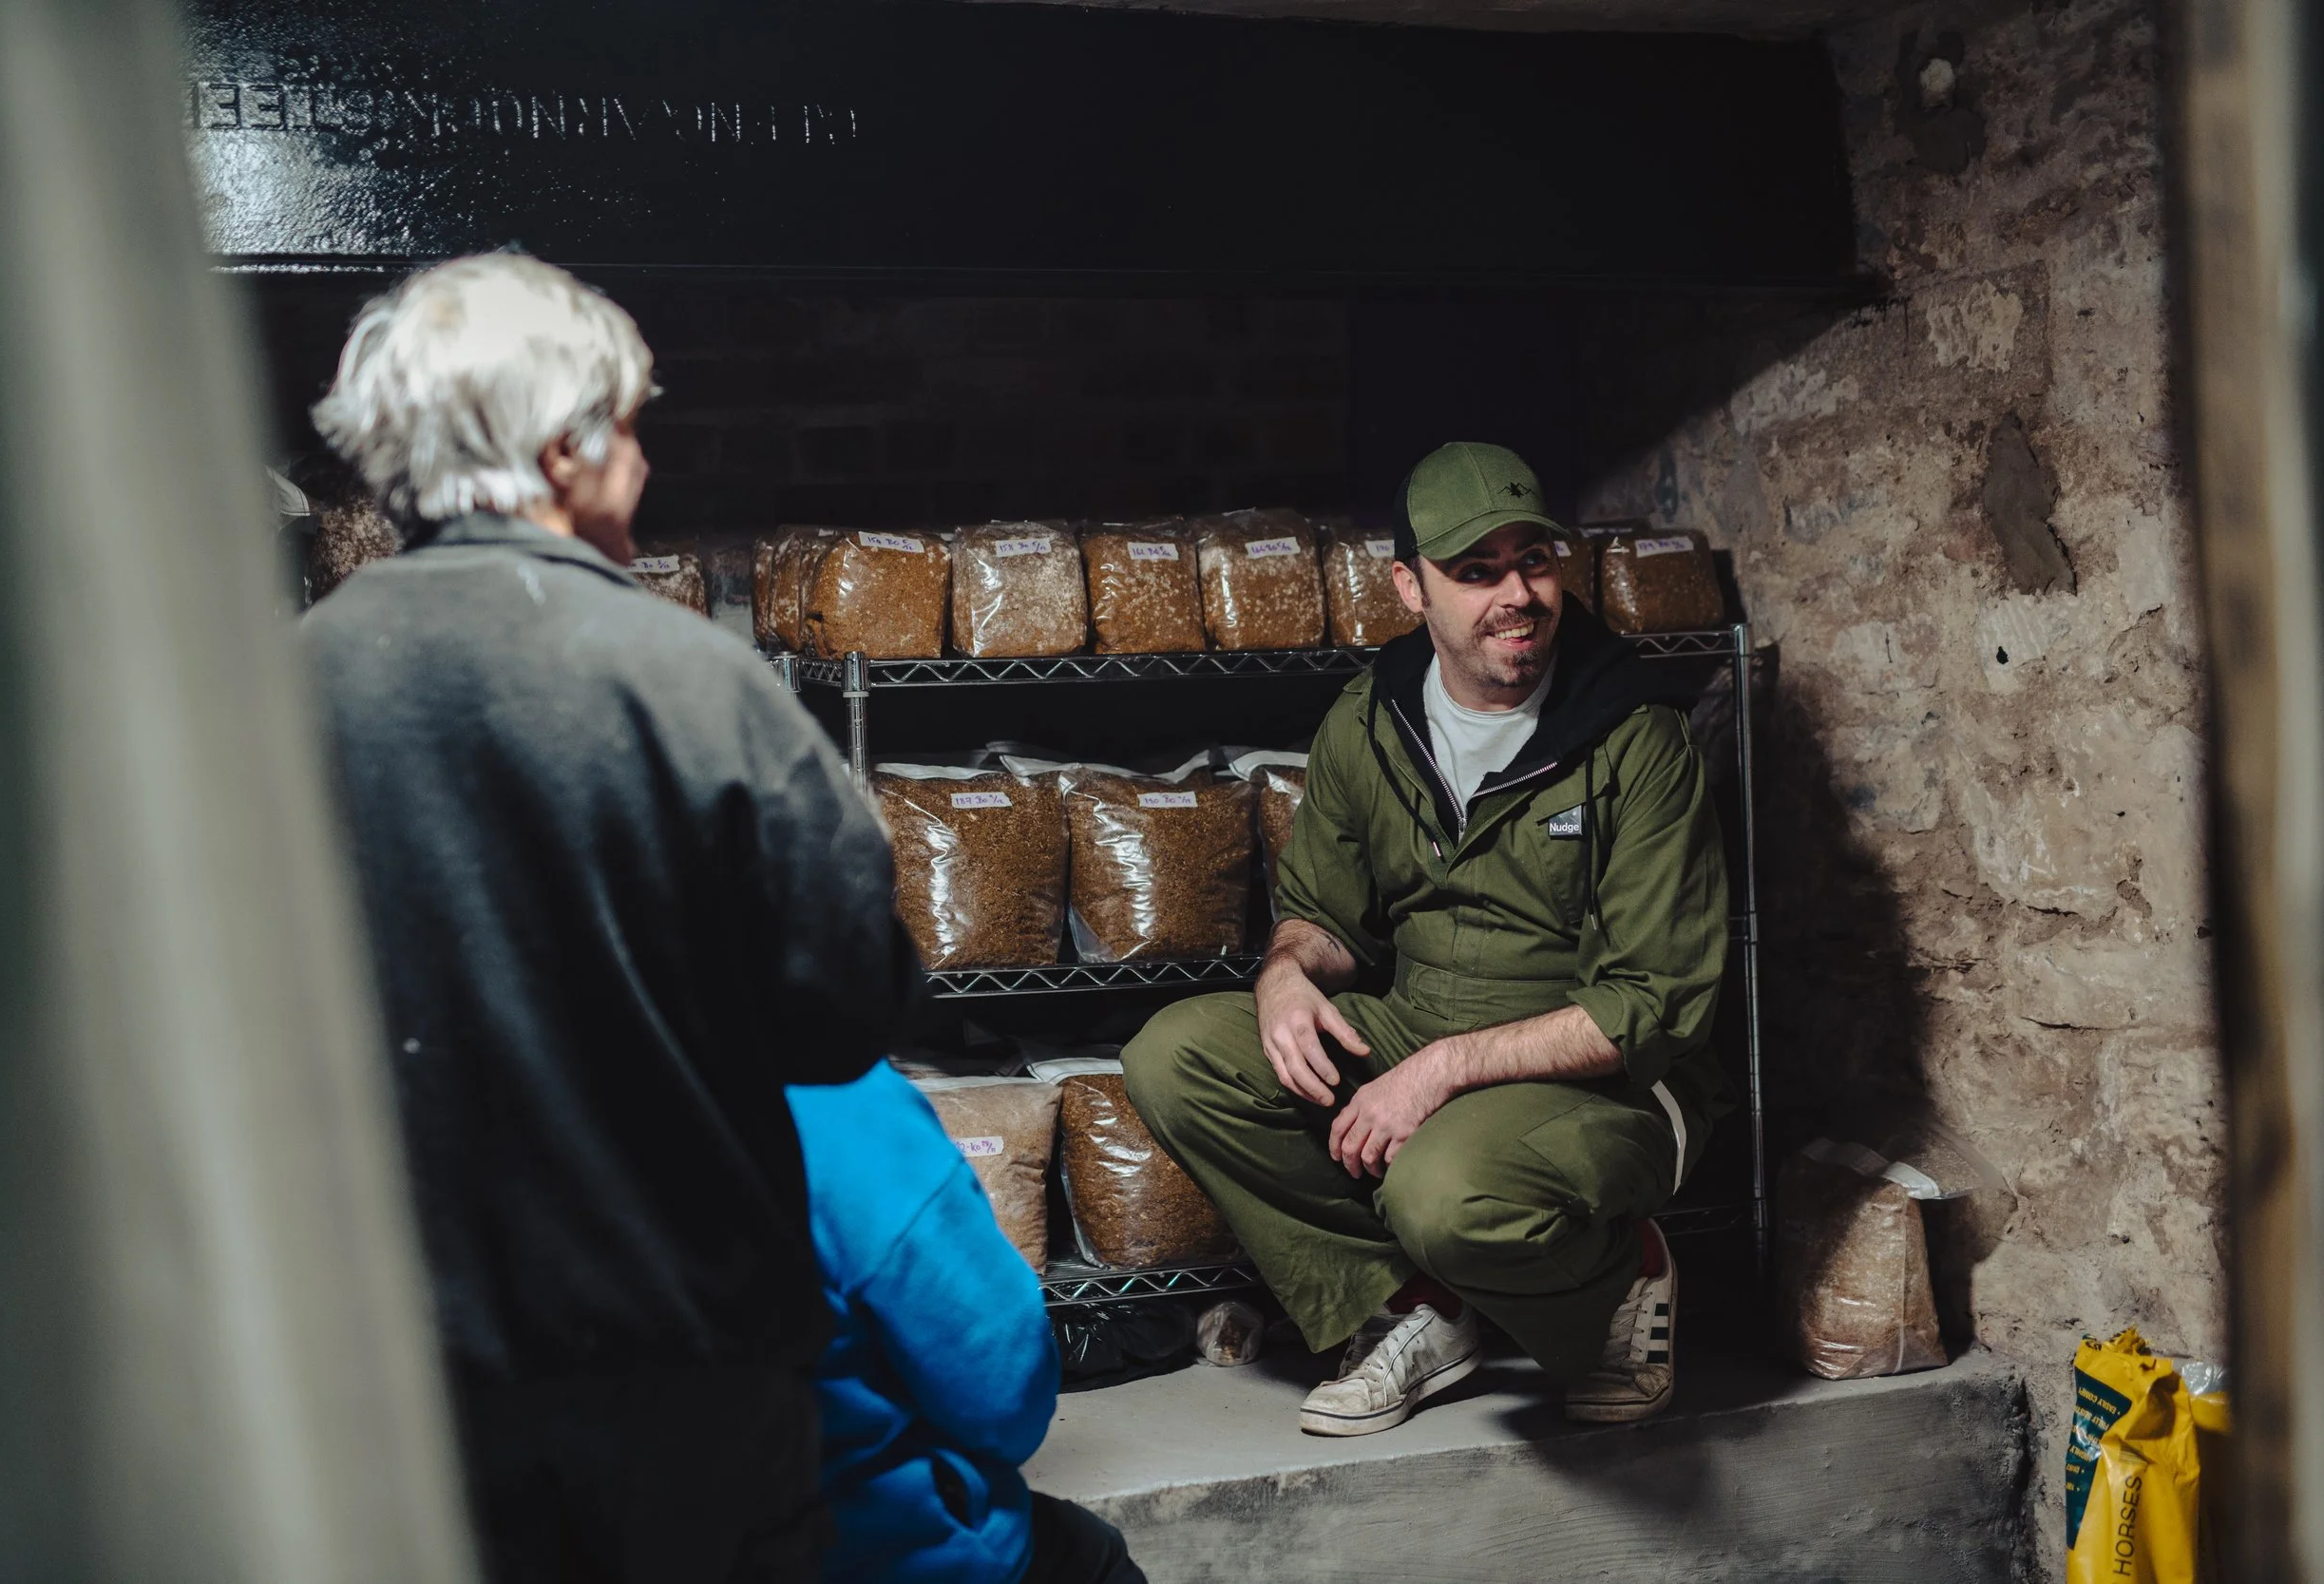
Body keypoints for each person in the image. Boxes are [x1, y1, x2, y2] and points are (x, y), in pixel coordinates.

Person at [302, 252, 924, 1581]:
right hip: (682, 1384)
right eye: (629, 427)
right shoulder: (700, 683)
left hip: (386, 1382)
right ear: (561, 450)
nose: (642, 466)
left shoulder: (266, 693)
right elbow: (845, 1009)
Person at [1122, 441, 1728, 1436]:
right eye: (1475, 571)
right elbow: (1323, 912)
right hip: (1420, 1022)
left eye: (1531, 560)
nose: (1517, 595)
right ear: (1410, 585)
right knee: (1177, 1055)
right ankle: (1414, 1309)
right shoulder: (1371, 719)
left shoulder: (1633, 737)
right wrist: (1282, 975)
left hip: (1607, 1077)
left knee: (1442, 1193)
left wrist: (1441, 1069)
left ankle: (1627, 1282)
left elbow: (1654, 1003)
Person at [787, 1065, 1150, 1584]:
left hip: (658, 1533)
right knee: (1091, 1552)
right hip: (858, 1549)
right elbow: (1002, 1395)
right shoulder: (844, 1109)